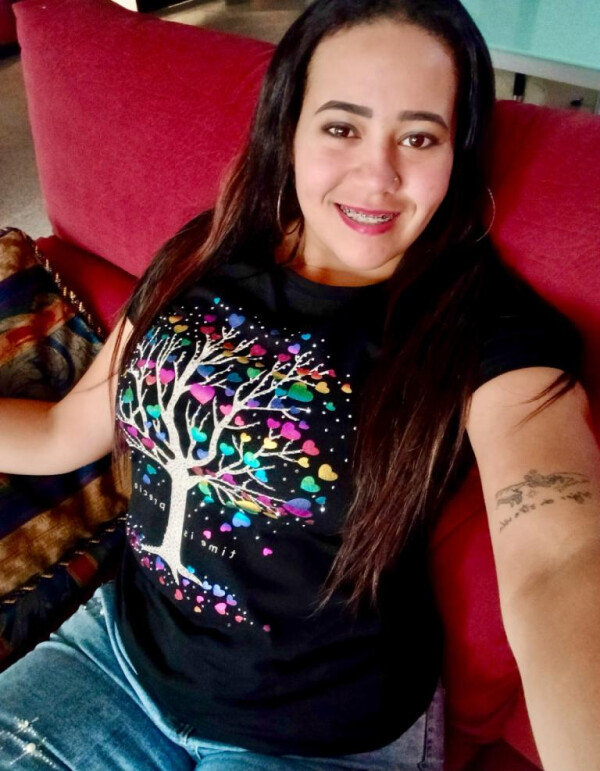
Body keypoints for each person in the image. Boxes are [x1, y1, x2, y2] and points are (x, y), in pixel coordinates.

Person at [1, 0, 599, 769]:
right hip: (115, 657)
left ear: (460, 152)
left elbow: (559, 558)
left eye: (419, 137)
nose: (378, 176)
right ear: (288, 128)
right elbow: (64, 432)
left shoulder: (487, 325)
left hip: (323, 737)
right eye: (342, 127)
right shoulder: (205, 252)